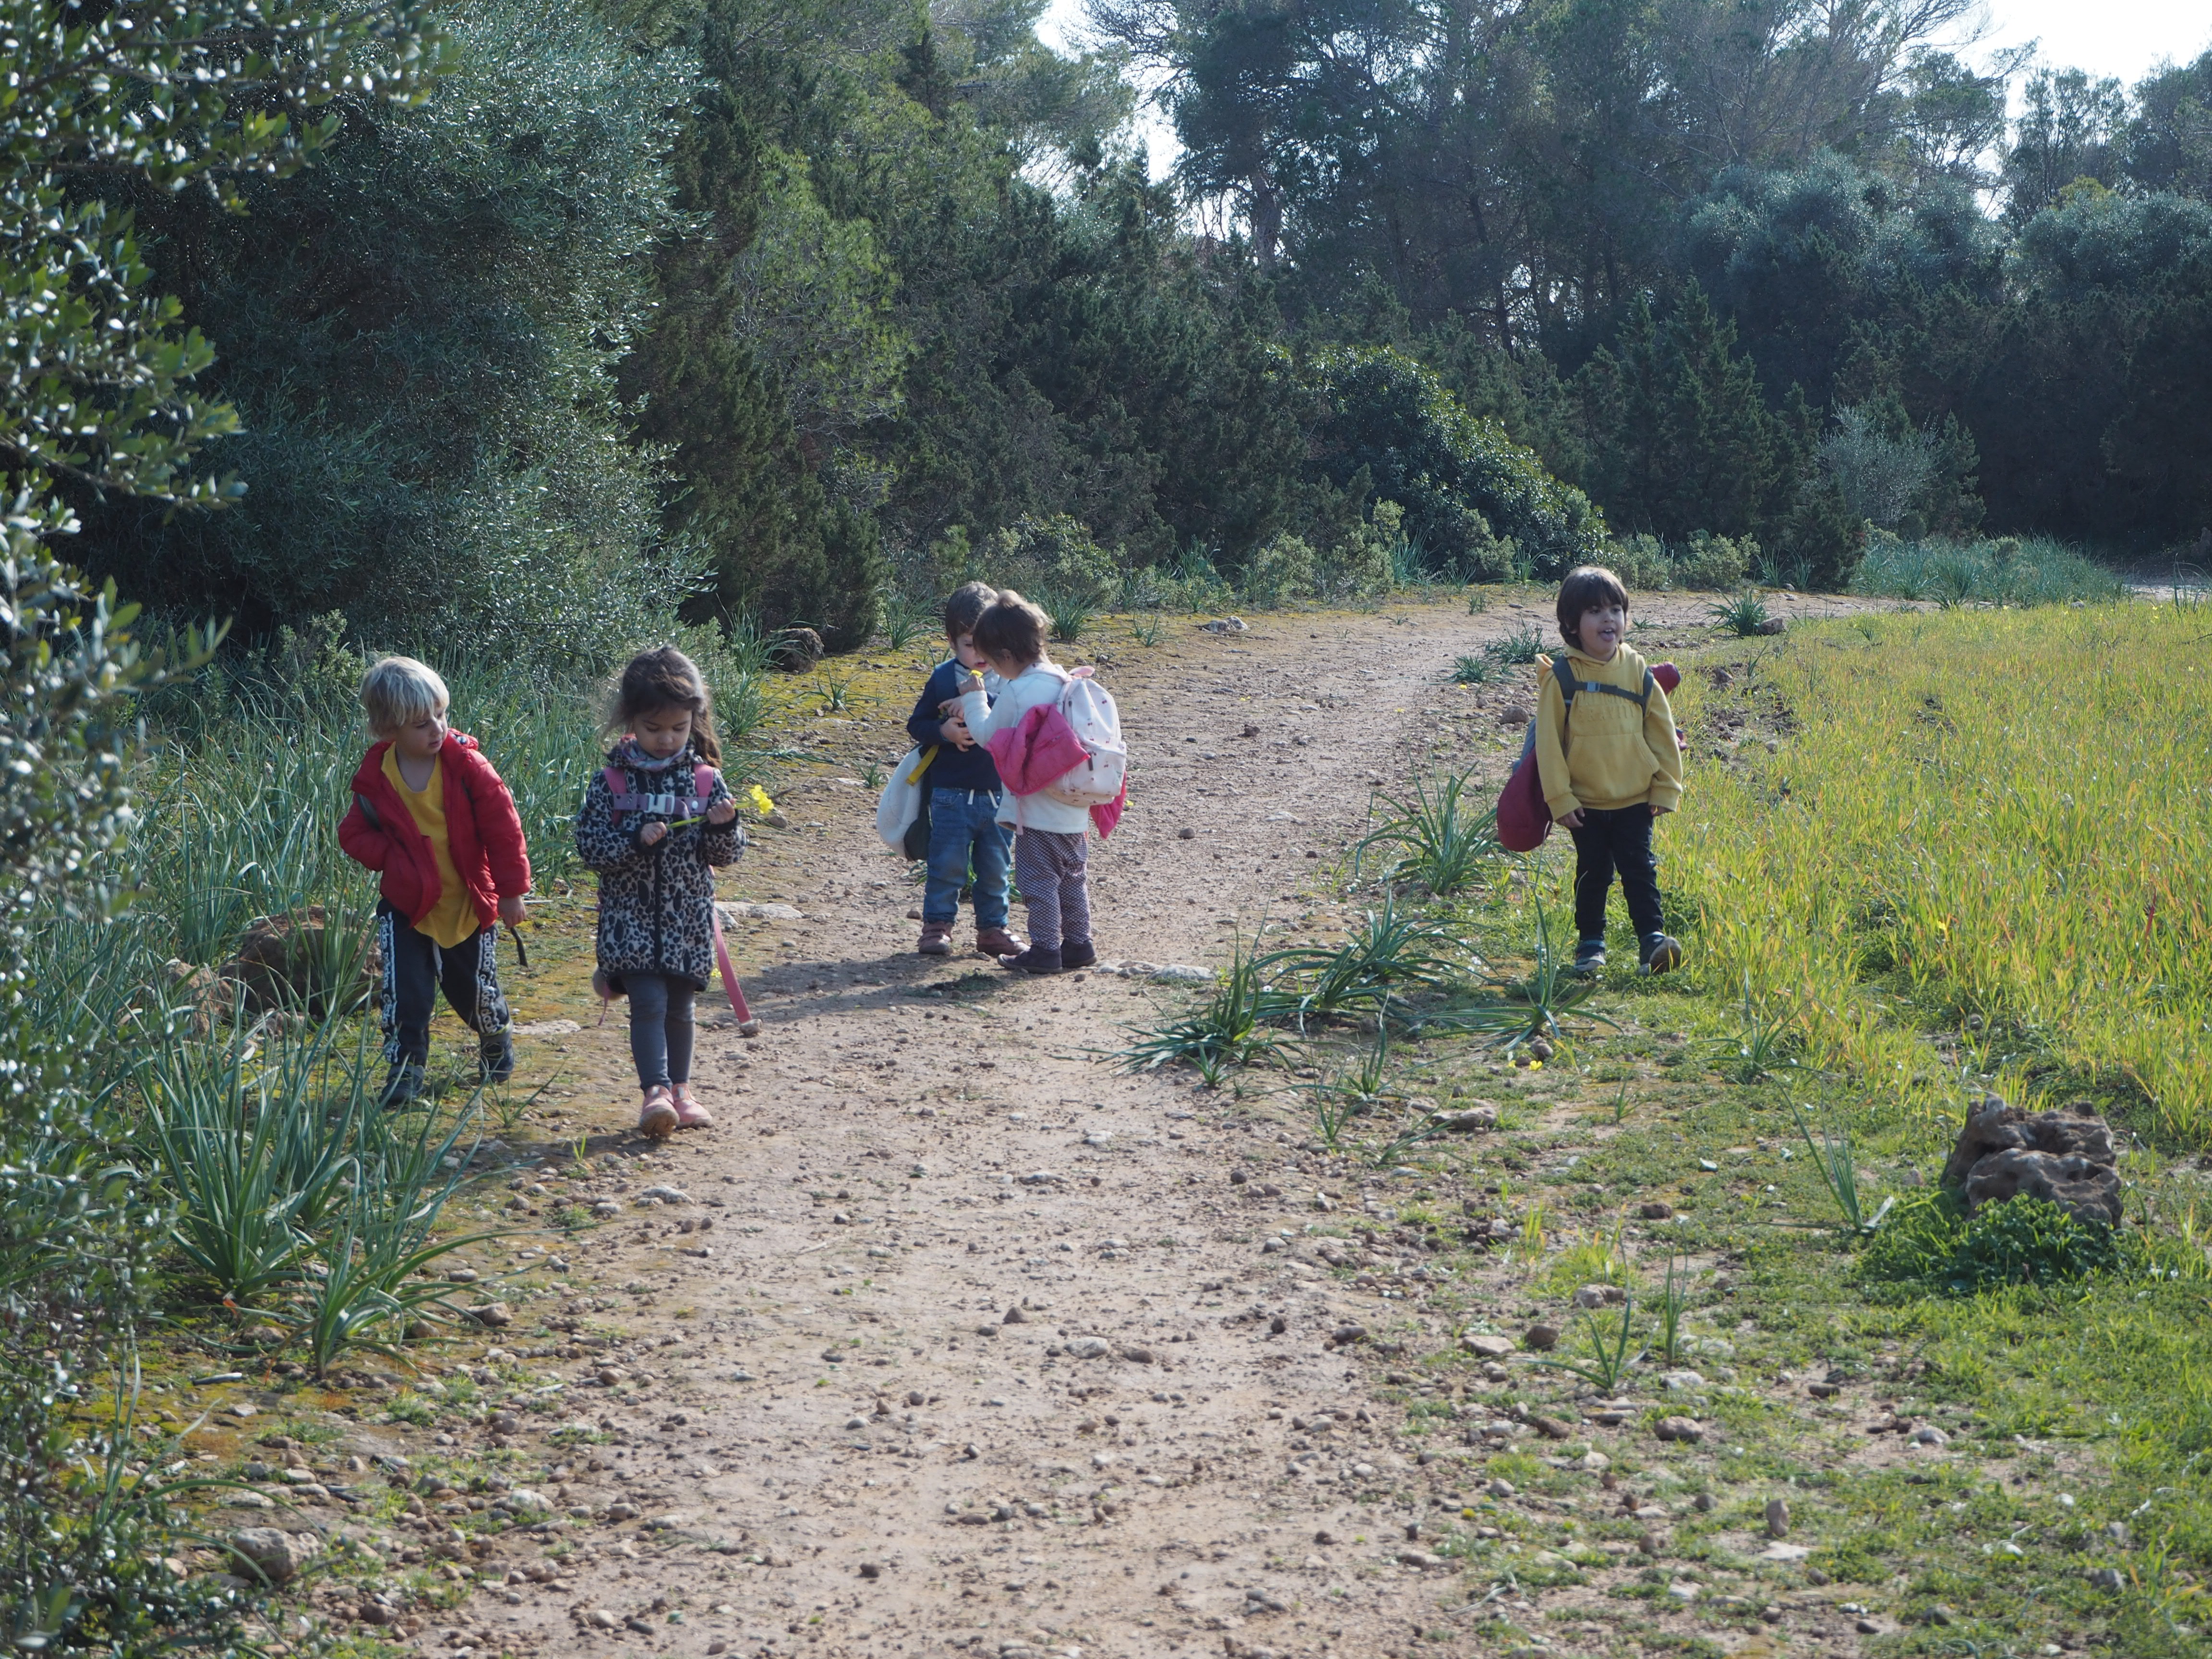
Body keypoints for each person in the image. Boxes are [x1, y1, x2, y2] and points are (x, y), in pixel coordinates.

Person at [339, 656, 531, 1107]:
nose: (437, 729)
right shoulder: (378, 777)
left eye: (441, 716)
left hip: (466, 901)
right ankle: (405, 1072)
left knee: (472, 991)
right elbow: (352, 833)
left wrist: (512, 892)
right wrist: (394, 858)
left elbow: (504, 829)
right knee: (406, 994)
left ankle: (495, 1036)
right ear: (389, 729)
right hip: (406, 904)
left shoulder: (468, 767)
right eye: (421, 723)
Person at [574, 647, 745, 1138]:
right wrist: (634, 839)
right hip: (628, 925)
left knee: (681, 1008)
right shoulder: (610, 781)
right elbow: (590, 846)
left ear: (695, 719)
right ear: (631, 721)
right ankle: (655, 1093)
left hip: (687, 924)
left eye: (678, 728)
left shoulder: (706, 779)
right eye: (654, 729)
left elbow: (728, 856)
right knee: (647, 1003)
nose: (667, 738)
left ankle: (682, 1092)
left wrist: (724, 827)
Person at [1533, 565, 1686, 977]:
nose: (1608, 619)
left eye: (1616, 609)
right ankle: (1590, 947)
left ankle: (1653, 942)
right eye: (1595, 611)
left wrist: (1666, 788)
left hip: (1635, 798)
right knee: (1593, 874)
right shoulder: (1561, 678)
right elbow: (1548, 745)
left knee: (1640, 869)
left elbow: (1662, 733)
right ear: (1571, 623)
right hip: (1585, 803)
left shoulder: (1638, 670)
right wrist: (1560, 799)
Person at [953, 590, 1096, 975]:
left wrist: (974, 698)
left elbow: (986, 736)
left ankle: (1046, 950)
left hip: (1039, 810)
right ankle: (1079, 944)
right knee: (1072, 878)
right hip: (1075, 806)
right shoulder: (1064, 679)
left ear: (1006, 656)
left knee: (1039, 881)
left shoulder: (1018, 690)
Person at [903, 581, 1023, 959]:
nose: (980, 652)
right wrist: (943, 731)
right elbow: (916, 725)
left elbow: (1019, 719)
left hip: (999, 792)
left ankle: (993, 929)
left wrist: (977, 700)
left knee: (995, 867)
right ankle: (937, 926)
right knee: (947, 864)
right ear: (952, 641)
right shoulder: (941, 678)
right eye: (970, 644)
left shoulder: (1010, 679)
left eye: (987, 642)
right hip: (951, 793)